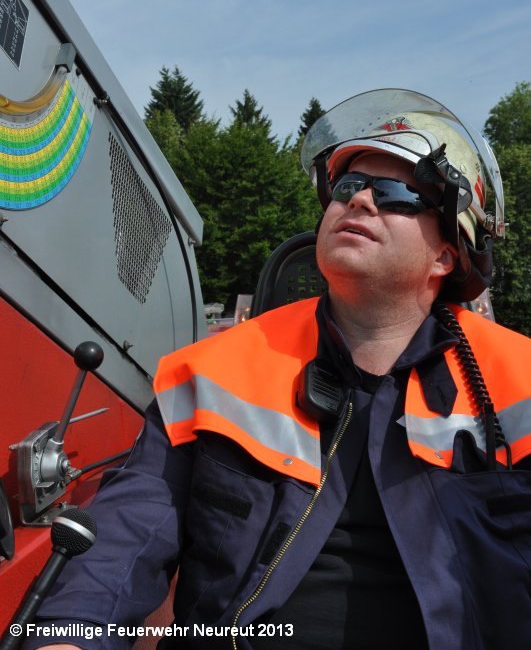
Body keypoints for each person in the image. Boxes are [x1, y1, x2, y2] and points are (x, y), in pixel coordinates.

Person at [25, 89, 531, 650]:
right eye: (347, 187)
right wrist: (66, 636)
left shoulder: (519, 382)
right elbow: (127, 531)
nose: (361, 200)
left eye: (394, 194)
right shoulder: (216, 370)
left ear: (446, 255)